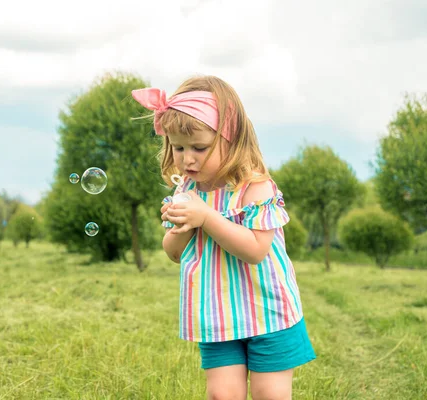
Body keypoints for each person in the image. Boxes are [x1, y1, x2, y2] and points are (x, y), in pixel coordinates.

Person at [132, 75, 316, 400]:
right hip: (218, 315)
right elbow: (174, 253)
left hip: (268, 312)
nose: (187, 158)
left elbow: (256, 250)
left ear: (230, 139)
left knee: (269, 395)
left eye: (199, 147)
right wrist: (181, 227)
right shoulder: (185, 192)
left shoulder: (256, 188)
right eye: (178, 147)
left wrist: (206, 217)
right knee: (221, 395)